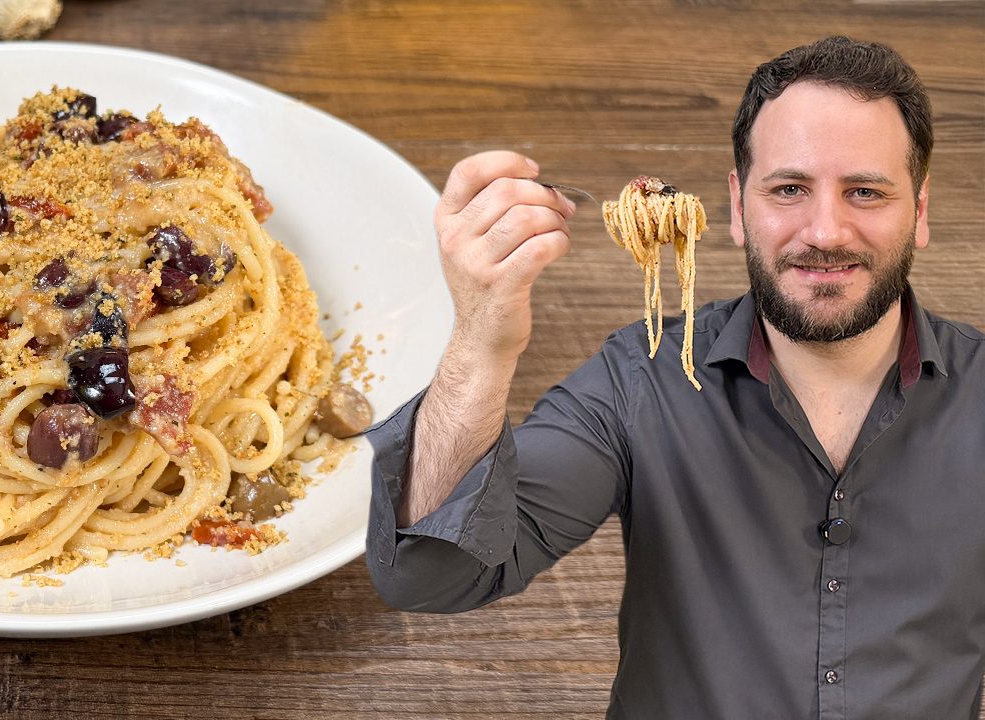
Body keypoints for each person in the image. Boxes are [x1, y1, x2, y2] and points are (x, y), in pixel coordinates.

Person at [364, 36, 985, 719]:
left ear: (919, 211)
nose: (826, 231)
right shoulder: (642, 380)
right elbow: (429, 574)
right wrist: (480, 340)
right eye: (789, 189)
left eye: (865, 192)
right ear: (738, 207)